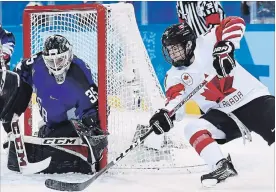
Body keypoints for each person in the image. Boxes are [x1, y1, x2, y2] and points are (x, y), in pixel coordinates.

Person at [149, 21, 275, 186]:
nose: (172, 54)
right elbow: (175, 100)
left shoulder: (208, 41)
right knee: (192, 128)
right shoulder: (173, 76)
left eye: (175, 48)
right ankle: (221, 166)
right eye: (169, 49)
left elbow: (236, 22)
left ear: (188, 44)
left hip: (253, 100)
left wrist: (226, 46)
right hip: (224, 117)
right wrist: (166, 114)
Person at [1, 34, 107, 174]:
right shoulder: (37, 62)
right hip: (51, 124)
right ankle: (15, 131)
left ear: (69, 56)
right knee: (14, 87)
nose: (56, 66)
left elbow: (92, 108)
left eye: (60, 60)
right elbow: (21, 70)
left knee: (80, 142)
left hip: (69, 126)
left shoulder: (80, 73)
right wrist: (9, 95)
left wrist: (92, 130)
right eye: (51, 62)